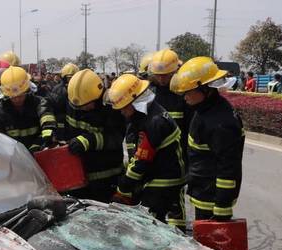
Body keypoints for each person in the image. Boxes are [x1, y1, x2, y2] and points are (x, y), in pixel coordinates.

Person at [105, 74, 186, 227]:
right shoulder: (148, 115)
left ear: (134, 101)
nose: (121, 112)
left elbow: (142, 158)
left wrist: (123, 187)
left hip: (163, 184)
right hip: (164, 179)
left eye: (123, 107)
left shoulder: (154, 122)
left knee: (155, 228)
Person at [170, 56, 244, 221]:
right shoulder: (206, 109)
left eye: (187, 92)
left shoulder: (220, 122)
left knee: (209, 245)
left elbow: (228, 167)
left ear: (205, 89)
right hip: (203, 191)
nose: (184, 97)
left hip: (212, 200)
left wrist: (222, 208)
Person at [64, 69, 126, 202]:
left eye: (87, 104)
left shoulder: (112, 107)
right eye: (79, 106)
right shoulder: (75, 103)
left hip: (107, 178)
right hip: (80, 178)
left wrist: (88, 141)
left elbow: (116, 139)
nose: (83, 108)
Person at [0, 66, 57, 151]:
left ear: (27, 90)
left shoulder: (40, 103)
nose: (17, 99)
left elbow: (48, 124)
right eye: (12, 96)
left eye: (20, 95)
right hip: (14, 158)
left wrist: (41, 142)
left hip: (40, 153)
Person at [148, 49, 190, 178]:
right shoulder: (148, 94)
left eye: (166, 75)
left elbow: (190, 130)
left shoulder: (184, 94)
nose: (161, 78)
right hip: (152, 157)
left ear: (175, 72)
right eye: (158, 75)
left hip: (177, 158)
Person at [48, 63, 80, 137]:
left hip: (75, 128)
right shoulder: (57, 90)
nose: (72, 80)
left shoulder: (80, 90)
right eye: (70, 77)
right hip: (61, 128)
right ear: (64, 78)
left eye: (75, 77)